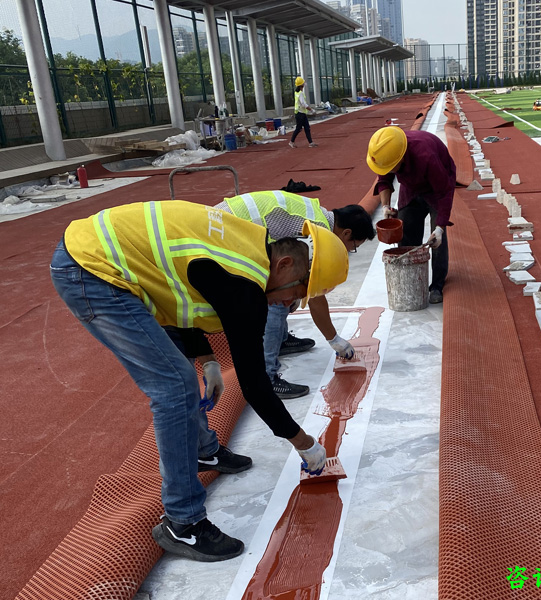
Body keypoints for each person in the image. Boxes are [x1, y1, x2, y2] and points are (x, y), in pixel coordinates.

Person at [50, 200, 349, 562]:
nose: (291, 305)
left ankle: (203, 452)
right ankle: (184, 522)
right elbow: (255, 385)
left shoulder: (250, 248)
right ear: (285, 265)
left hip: (106, 255)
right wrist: (305, 444)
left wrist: (208, 360)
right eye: (297, 293)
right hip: (93, 270)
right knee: (175, 387)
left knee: (180, 376)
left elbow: (179, 287)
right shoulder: (246, 285)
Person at [216, 191, 375, 399]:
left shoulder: (319, 216)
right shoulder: (319, 234)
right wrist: (334, 340)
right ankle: (267, 377)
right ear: (346, 233)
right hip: (225, 232)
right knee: (277, 300)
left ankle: (281, 340)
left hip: (225, 221)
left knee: (287, 291)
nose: (348, 251)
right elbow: (315, 294)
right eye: (353, 247)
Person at [366, 126, 456, 304]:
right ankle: (410, 278)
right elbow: (384, 179)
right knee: (406, 227)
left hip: (437, 186)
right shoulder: (386, 153)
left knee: (437, 240)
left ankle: (437, 285)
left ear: (401, 158)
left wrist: (440, 227)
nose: (390, 170)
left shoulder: (426, 156)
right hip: (411, 186)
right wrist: (385, 206)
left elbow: (444, 193)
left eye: (392, 168)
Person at [289, 76, 317, 148]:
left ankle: (311, 142)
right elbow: (303, 104)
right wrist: (311, 110)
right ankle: (291, 141)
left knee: (307, 128)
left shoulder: (296, 92)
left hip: (301, 113)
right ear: (301, 85)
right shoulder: (300, 93)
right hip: (300, 114)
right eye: (303, 83)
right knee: (299, 128)